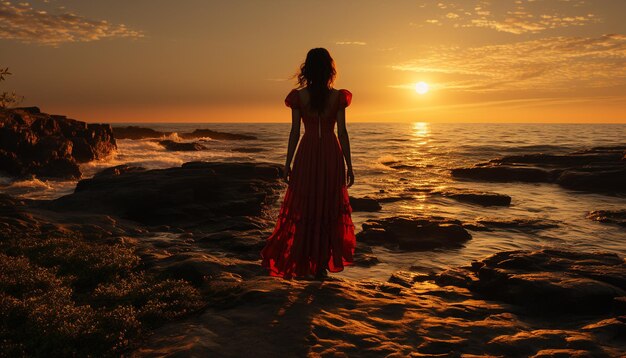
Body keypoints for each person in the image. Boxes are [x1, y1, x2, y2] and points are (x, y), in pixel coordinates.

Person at [261, 48, 356, 280]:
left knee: (305, 207)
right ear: (329, 69)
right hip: (331, 154)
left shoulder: (299, 97)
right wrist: (349, 165)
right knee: (328, 207)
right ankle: (321, 265)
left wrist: (287, 163)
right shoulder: (337, 97)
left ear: (308, 69)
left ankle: (305, 261)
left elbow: (295, 131)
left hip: (307, 152)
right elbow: (342, 133)